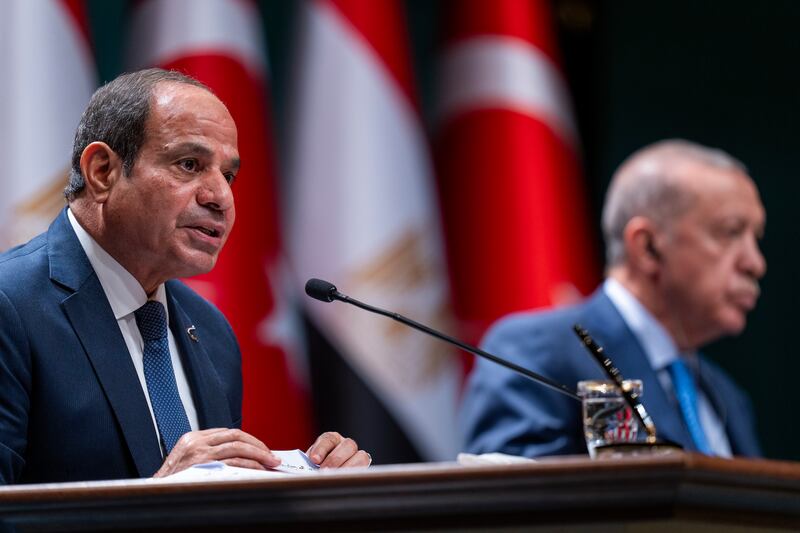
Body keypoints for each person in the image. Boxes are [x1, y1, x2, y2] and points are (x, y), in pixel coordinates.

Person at [0, 68, 370, 484]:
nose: (221, 198)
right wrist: (159, 499)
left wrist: (311, 489)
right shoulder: (11, 306)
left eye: (227, 175)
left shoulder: (211, 334)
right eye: (189, 164)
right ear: (102, 171)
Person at [461, 139, 765, 458]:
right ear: (647, 247)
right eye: (730, 232)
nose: (755, 263)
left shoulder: (726, 395)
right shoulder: (534, 354)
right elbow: (517, 501)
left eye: (755, 238)